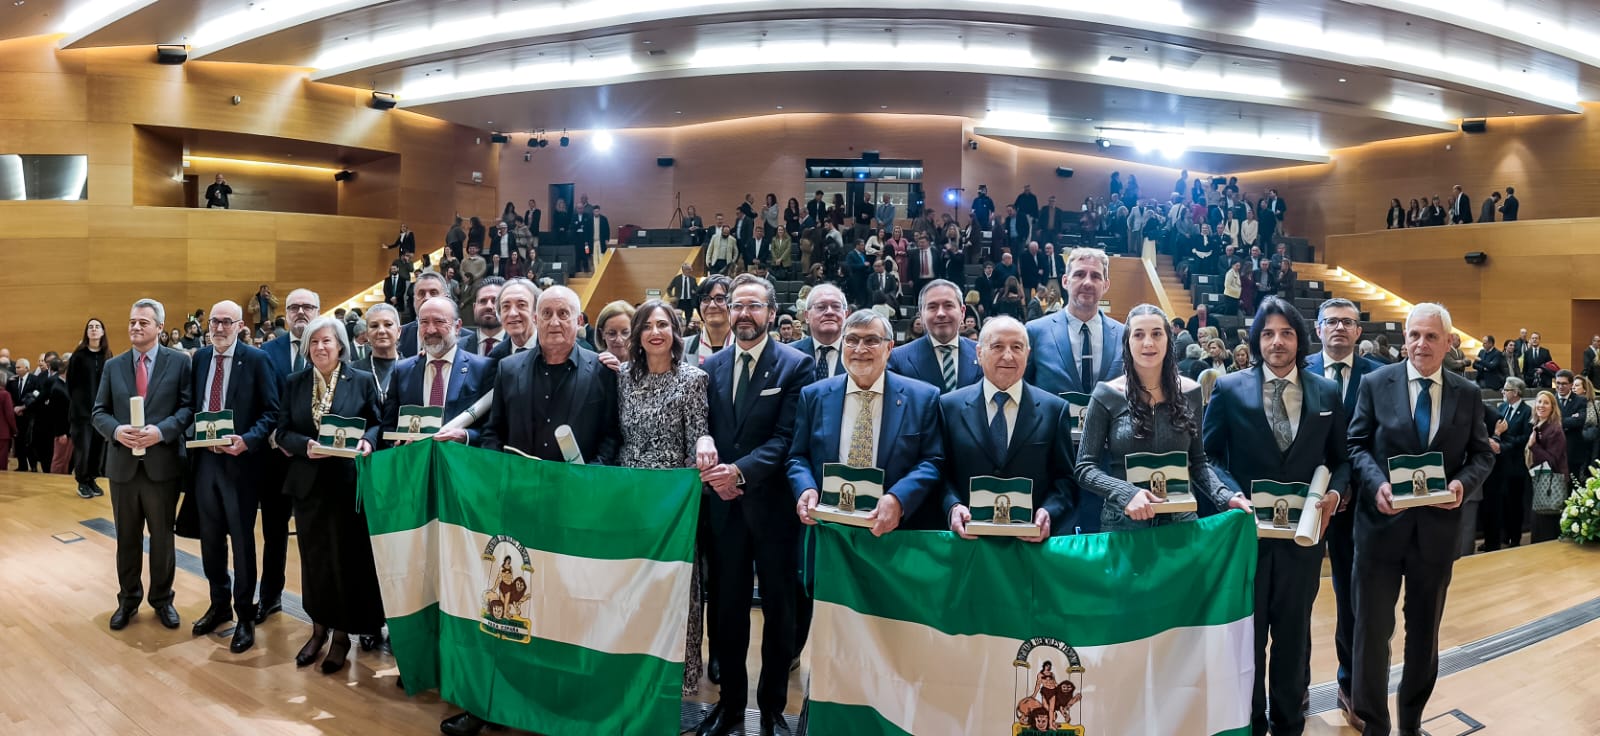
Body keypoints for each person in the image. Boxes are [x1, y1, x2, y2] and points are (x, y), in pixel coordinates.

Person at [1202, 297, 1348, 736]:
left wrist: (1335, 495)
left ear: (1300, 338)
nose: (1277, 341)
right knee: (1248, 642)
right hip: (1247, 538)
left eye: (1286, 333)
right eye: (1268, 333)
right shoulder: (1229, 389)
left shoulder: (1327, 391)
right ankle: (1249, 724)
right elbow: (1207, 458)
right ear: (1256, 339)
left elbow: (1340, 459)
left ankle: (1289, 725)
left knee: (1292, 639)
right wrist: (1228, 495)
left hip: (1302, 543)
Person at [1346, 302, 1494, 736]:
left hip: (1435, 533)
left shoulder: (1466, 393)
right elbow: (1355, 445)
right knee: (1371, 635)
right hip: (1379, 531)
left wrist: (1462, 485)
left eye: (1431, 336)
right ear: (1404, 338)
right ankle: (1375, 724)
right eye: (1414, 335)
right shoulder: (1376, 383)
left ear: (1449, 342)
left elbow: (1482, 454)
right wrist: (1377, 485)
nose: (1421, 344)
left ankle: (1410, 723)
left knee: (1424, 636)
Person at [694, 275, 815, 736]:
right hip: (723, 510)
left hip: (773, 510)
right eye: (736, 304)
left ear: (770, 311)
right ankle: (729, 707)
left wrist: (739, 471)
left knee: (780, 614)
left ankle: (769, 711)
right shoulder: (713, 366)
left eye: (753, 306)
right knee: (726, 611)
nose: (743, 313)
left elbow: (788, 438)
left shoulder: (796, 365)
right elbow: (706, 429)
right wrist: (717, 474)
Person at [613, 300, 717, 694]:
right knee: (631, 585)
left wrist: (705, 445)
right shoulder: (622, 377)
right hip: (628, 498)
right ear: (638, 334)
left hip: (673, 503)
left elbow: (698, 436)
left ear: (675, 332)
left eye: (663, 325)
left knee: (677, 588)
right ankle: (633, 666)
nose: (655, 332)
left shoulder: (693, 380)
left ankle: (680, 676)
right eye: (647, 326)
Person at [1074, 304, 1248, 532]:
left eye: (1156, 333)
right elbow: (1085, 468)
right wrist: (1127, 493)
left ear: (1168, 339)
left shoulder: (1191, 392)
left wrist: (1224, 496)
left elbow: (1198, 462)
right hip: (1124, 522)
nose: (1148, 342)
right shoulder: (1105, 395)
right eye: (1139, 334)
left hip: (1181, 522)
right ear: (1128, 342)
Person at [274, 317, 384, 675]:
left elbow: (377, 422)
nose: (320, 348)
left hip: (348, 484)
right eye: (314, 342)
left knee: (346, 562)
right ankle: (317, 628)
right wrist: (303, 446)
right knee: (314, 561)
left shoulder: (362, 380)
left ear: (340, 345)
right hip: (308, 486)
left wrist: (369, 439)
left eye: (327, 341)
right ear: (307, 349)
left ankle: (341, 636)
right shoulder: (295, 382)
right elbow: (282, 430)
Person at [92, 298, 194, 631]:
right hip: (122, 466)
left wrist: (161, 431)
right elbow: (99, 413)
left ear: (160, 328)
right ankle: (128, 600)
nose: (136, 327)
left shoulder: (179, 363)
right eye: (132, 321)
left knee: (163, 539)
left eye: (143, 322)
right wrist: (118, 431)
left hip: (161, 467)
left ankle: (163, 600)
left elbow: (186, 409)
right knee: (127, 539)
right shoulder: (113, 366)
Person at [791, 307, 943, 532]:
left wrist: (898, 499)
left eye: (871, 340)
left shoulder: (923, 398)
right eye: (851, 340)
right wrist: (805, 488)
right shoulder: (813, 395)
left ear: (889, 347)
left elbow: (932, 460)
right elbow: (797, 456)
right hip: (829, 526)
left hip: (893, 530)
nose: (859, 349)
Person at [1303, 298, 1383, 718]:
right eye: (1330, 321)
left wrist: (1351, 485)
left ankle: (1350, 685)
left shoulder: (1379, 376)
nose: (1338, 328)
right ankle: (1294, 688)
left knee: (1354, 600)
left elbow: (1374, 442)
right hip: (1307, 504)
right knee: (1298, 599)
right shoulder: (1298, 371)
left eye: (1347, 323)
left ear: (1358, 332)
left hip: (1359, 505)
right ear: (1317, 329)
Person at [186, 300, 279, 654]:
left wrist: (249, 441)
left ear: (241, 326)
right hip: (205, 463)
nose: (219, 328)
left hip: (240, 465)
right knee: (210, 540)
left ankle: (244, 614)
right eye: (214, 321)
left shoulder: (256, 360)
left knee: (241, 542)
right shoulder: (200, 359)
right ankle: (219, 603)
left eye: (227, 322)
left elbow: (271, 411)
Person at [942, 316, 1075, 542]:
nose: (1008, 355)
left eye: (1017, 347)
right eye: (997, 346)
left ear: (1028, 354)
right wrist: (952, 506)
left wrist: (1049, 512)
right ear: (979, 353)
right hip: (968, 544)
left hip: (1030, 546)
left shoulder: (1055, 409)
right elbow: (940, 474)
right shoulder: (948, 406)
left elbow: (1066, 480)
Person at [478, 286, 619, 463]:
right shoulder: (507, 369)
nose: (554, 322)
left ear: (579, 321)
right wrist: (500, 471)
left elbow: (611, 438)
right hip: (521, 484)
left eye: (563, 314)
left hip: (578, 485)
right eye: (546, 314)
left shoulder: (602, 371)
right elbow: (493, 431)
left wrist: (589, 478)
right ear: (536, 320)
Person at [380, 297, 495, 447]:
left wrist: (466, 436)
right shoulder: (402, 370)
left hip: (459, 463)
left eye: (439, 322)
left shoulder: (483, 368)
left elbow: (492, 430)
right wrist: (396, 443)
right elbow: (388, 426)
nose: (430, 330)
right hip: (415, 464)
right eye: (424, 322)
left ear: (458, 326)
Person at [887, 280, 980, 393]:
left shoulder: (984, 355)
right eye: (932, 307)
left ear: (962, 312)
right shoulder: (898, 359)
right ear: (921, 315)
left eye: (948, 305)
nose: (941, 313)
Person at [1484, 378, 1531, 552]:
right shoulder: (1502, 408)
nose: (1503, 392)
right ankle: (1503, 536)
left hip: (1517, 464)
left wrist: (1503, 447)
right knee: (1501, 502)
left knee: (1515, 503)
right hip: (1501, 465)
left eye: (1506, 389)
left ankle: (1515, 537)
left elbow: (1524, 438)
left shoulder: (1526, 412)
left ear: (1516, 392)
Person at [68, 318, 112, 498]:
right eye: (90, 327)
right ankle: (82, 481)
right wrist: (79, 404)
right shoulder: (78, 356)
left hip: (100, 413)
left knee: (97, 449)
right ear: (87, 333)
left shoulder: (107, 355)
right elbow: (71, 384)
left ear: (102, 332)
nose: (94, 330)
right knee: (83, 449)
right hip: (81, 414)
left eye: (97, 327)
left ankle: (92, 479)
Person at [1527, 389, 1567, 543]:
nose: (1541, 405)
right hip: (1539, 480)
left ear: (1552, 407)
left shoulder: (1555, 429)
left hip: (1551, 483)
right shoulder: (1538, 426)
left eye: (1546, 402)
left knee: (1546, 529)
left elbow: (1552, 461)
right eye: (1539, 402)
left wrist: (1533, 446)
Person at [791, 284, 847, 382]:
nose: (830, 312)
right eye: (821, 307)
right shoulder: (789, 354)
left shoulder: (861, 355)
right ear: (807, 316)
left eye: (836, 306)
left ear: (845, 315)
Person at [353, 303, 402, 403]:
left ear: (399, 331)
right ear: (366, 334)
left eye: (388, 324)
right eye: (374, 326)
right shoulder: (352, 371)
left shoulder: (413, 370)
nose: (381, 331)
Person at [685, 275, 734, 365]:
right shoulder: (681, 347)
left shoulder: (747, 347)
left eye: (719, 299)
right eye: (705, 299)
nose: (712, 305)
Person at [1553, 369, 1588, 478]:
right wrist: (1569, 419)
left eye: (1564, 383)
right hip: (1554, 450)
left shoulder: (1580, 400)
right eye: (1558, 383)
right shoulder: (1550, 400)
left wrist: (1557, 421)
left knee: (1573, 485)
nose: (1560, 386)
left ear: (1571, 384)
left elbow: (1580, 421)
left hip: (1573, 451)